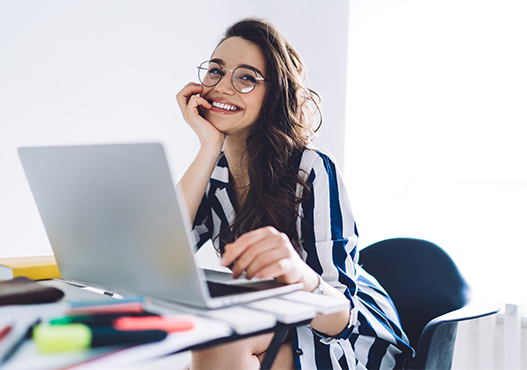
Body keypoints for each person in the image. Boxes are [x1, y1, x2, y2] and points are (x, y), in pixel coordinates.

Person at [176, 17, 414, 370]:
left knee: (220, 342)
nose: (223, 87)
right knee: (216, 339)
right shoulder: (216, 173)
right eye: (215, 71)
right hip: (278, 319)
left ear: (274, 94)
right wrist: (209, 146)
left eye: (246, 78)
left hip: (351, 337)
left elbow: (341, 320)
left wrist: (300, 276)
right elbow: (163, 252)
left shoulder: (312, 168)